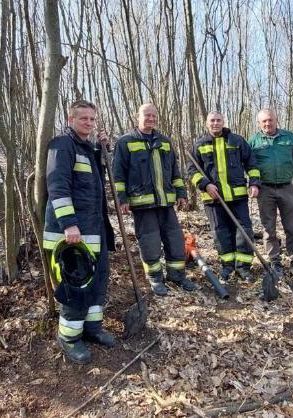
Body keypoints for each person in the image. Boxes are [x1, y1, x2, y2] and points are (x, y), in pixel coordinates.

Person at [42, 100, 116, 364]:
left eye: (92, 119)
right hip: (70, 236)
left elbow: (97, 183)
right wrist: (69, 224)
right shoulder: (62, 145)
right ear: (70, 119)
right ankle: (69, 337)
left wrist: (104, 150)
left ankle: (92, 329)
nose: (89, 123)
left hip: (94, 232)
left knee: (97, 281)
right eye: (83, 118)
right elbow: (58, 187)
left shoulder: (88, 149)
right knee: (77, 285)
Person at [112, 103, 195, 296]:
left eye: (153, 116)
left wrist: (181, 194)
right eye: (146, 115)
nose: (150, 119)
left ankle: (177, 275)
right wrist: (121, 199)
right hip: (142, 204)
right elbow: (118, 174)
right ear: (137, 117)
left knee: (174, 240)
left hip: (166, 203)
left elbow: (175, 171)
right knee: (149, 242)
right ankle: (156, 279)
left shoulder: (164, 141)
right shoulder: (125, 142)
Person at [188, 112, 261, 284]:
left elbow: (251, 163)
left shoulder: (237, 141)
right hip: (213, 199)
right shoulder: (199, 144)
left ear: (223, 122)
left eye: (218, 120)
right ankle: (227, 265)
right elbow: (191, 170)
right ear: (206, 123)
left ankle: (243, 267)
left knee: (244, 231)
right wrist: (205, 184)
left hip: (238, 197)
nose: (215, 123)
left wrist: (254, 183)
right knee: (220, 232)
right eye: (212, 121)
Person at [248, 109, 293, 283]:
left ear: (276, 120)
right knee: (269, 229)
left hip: (286, 188)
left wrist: (288, 173)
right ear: (259, 123)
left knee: (291, 226)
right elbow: (248, 163)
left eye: (270, 120)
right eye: (264, 122)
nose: (267, 124)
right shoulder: (253, 141)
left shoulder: (289, 137)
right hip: (265, 190)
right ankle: (275, 262)